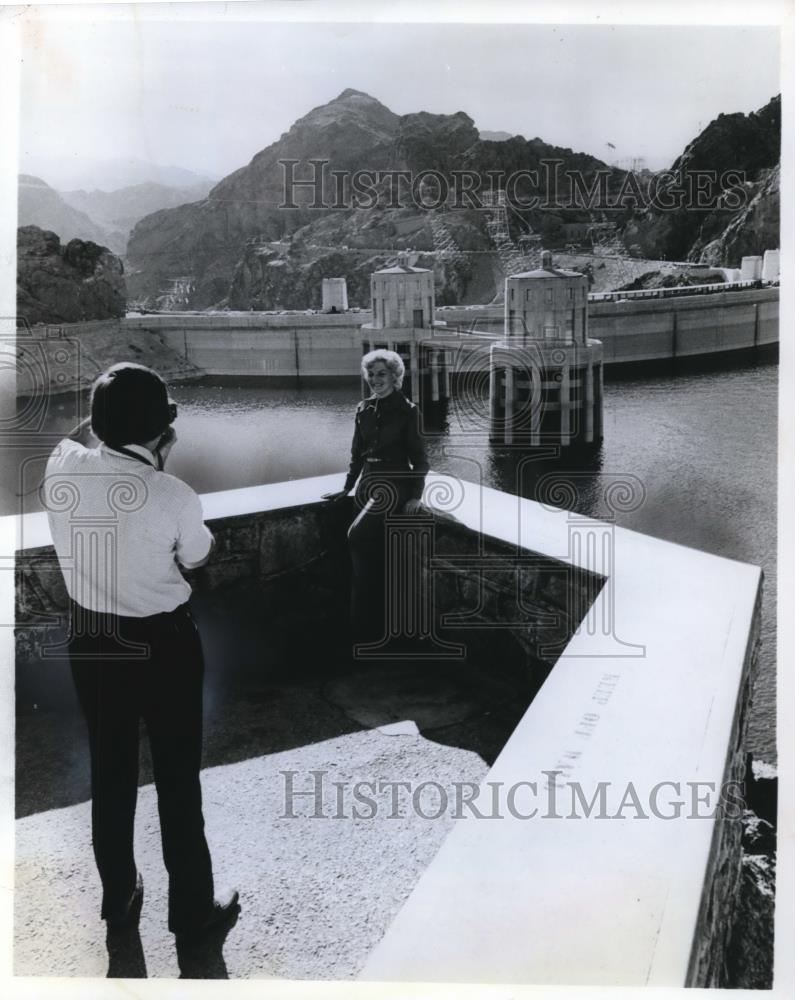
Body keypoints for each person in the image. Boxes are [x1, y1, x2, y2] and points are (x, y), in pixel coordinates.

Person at [42, 362, 238, 942]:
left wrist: (116, 423)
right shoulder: (173, 494)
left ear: (101, 422)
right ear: (162, 433)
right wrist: (156, 460)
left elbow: (81, 436)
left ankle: (119, 896)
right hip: (164, 646)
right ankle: (192, 911)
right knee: (178, 778)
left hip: (93, 642)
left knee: (111, 772)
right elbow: (198, 559)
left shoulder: (61, 466)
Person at [323, 349, 429, 643]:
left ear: (396, 377)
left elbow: (420, 460)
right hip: (367, 484)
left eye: (381, 374)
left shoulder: (409, 411)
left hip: (394, 485)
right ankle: (375, 627)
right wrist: (346, 487)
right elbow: (356, 455)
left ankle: (359, 630)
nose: (375, 379)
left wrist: (416, 496)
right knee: (373, 556)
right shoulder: (363, 409)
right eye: (371, 374)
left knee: (356, 537)